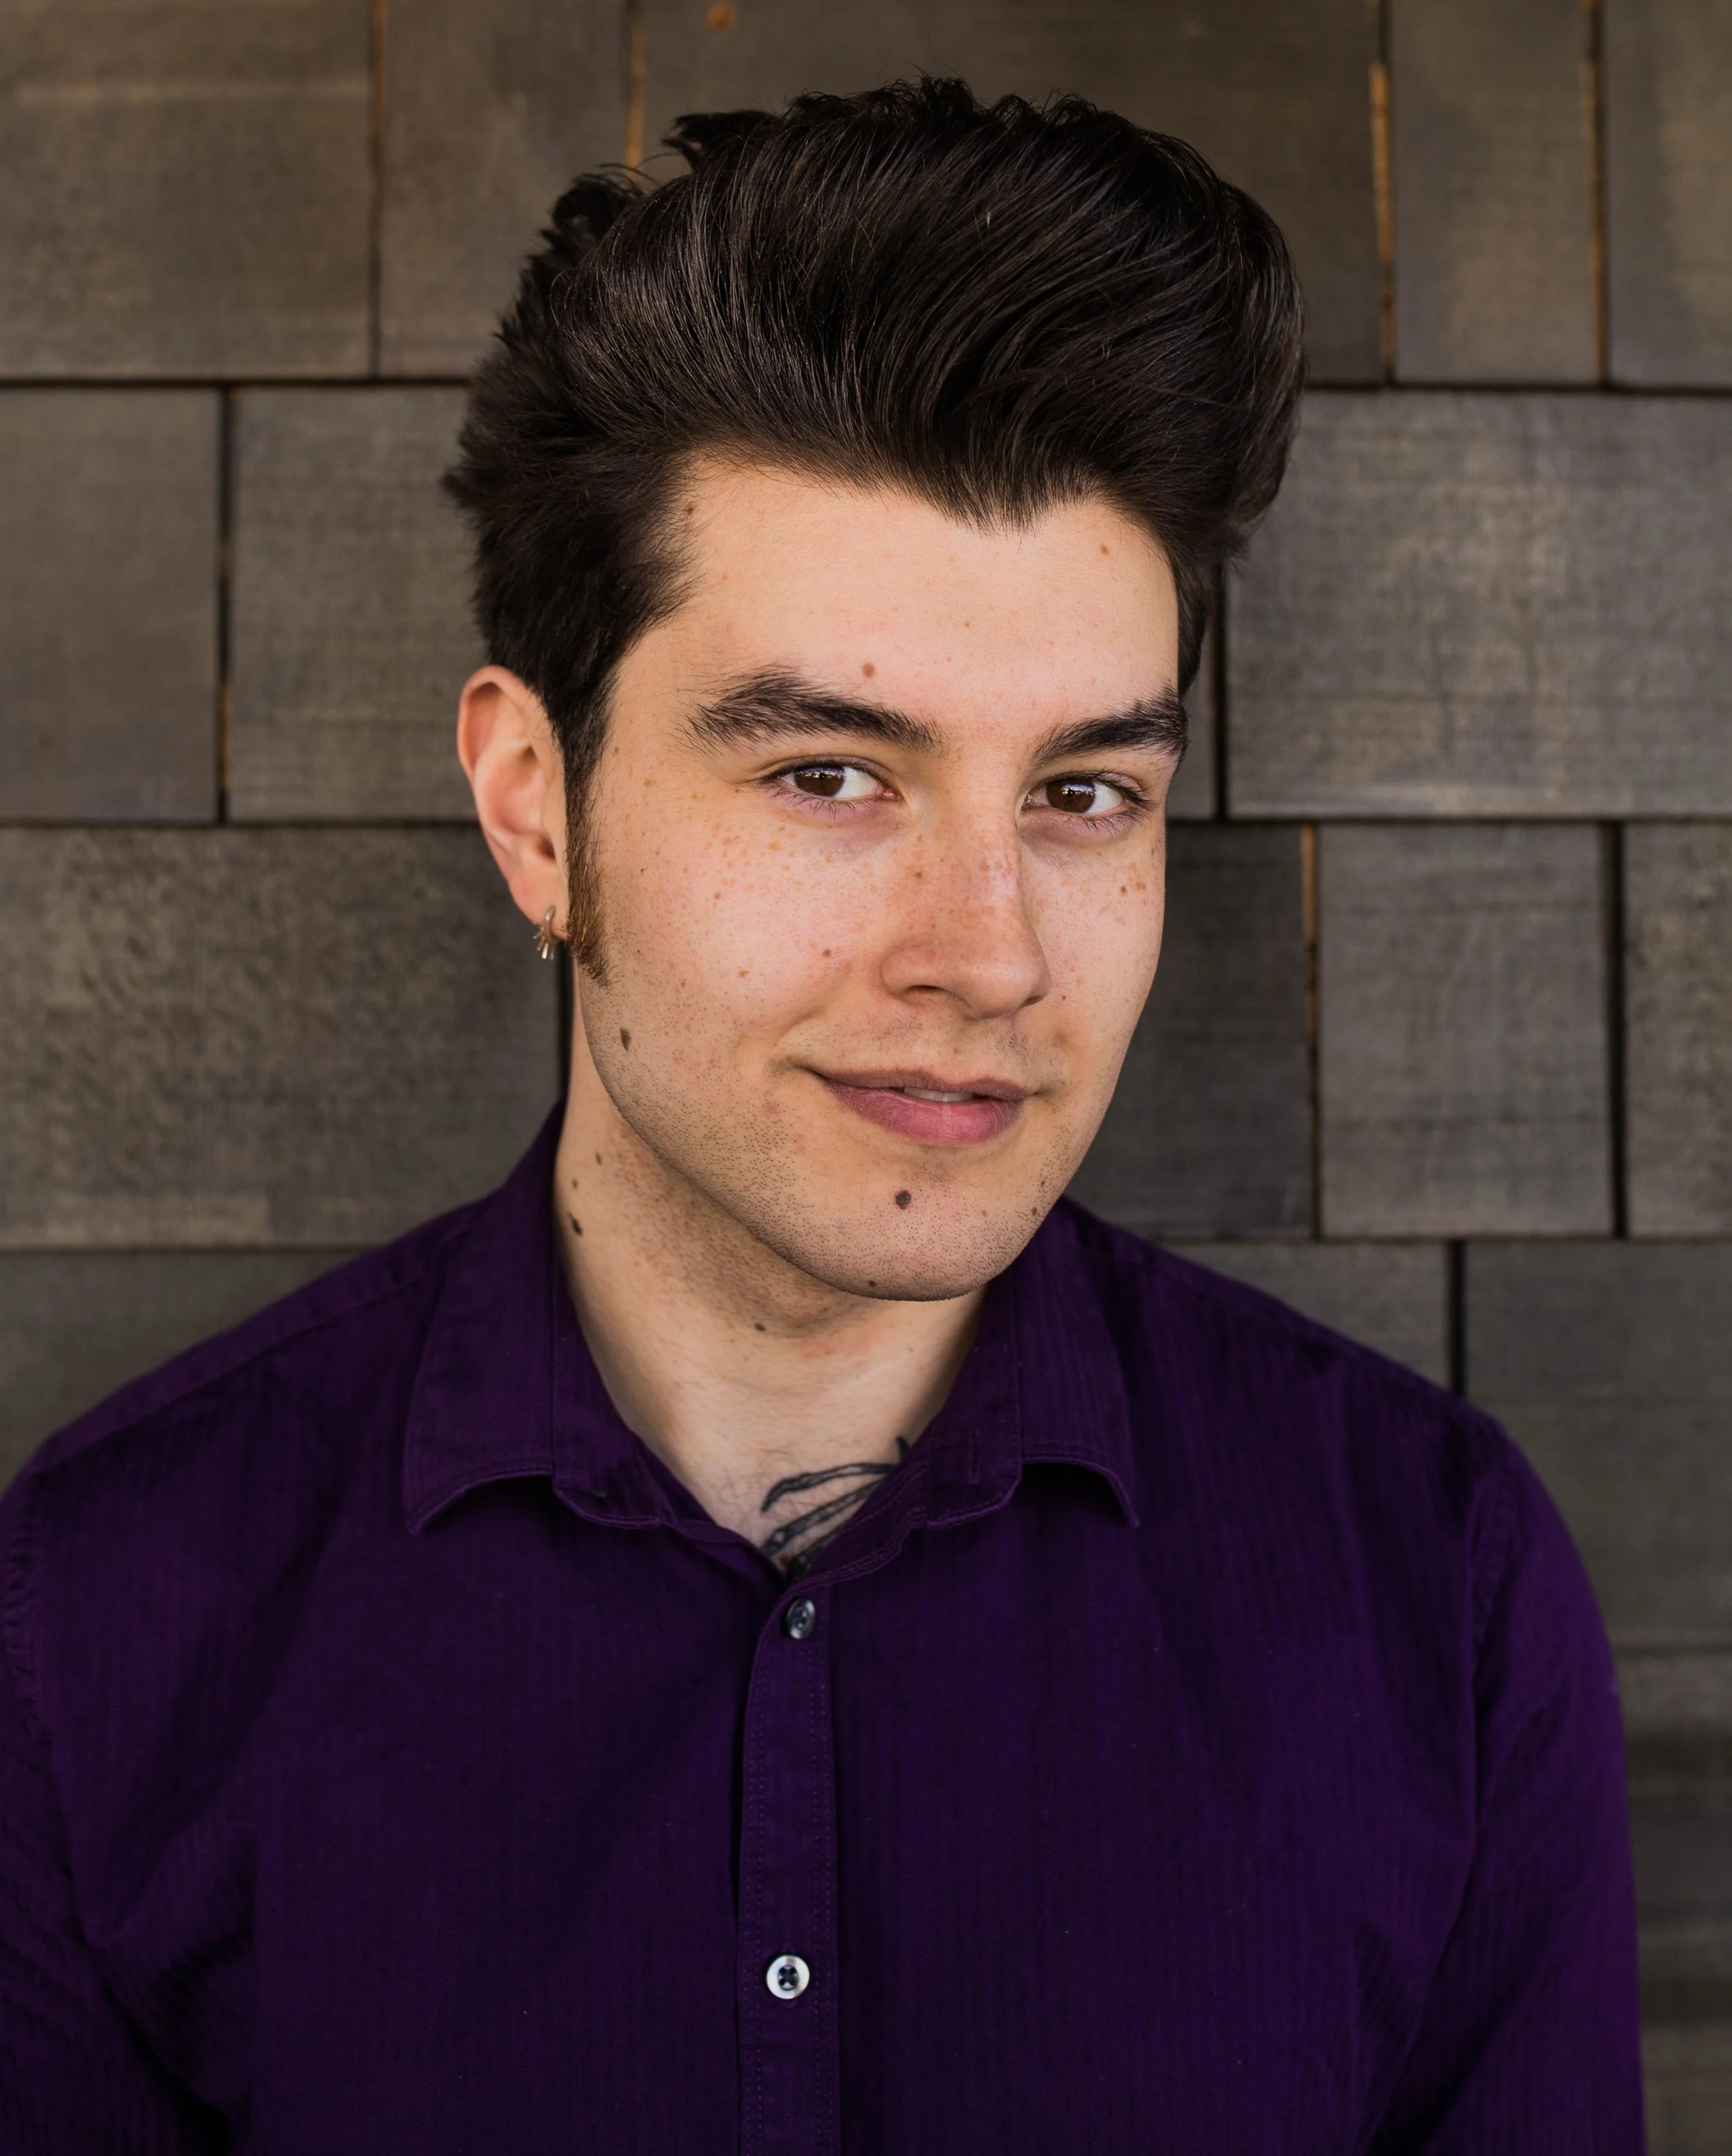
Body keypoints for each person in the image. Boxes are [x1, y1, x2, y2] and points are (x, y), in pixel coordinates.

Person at [0, 81, 1641, 2152]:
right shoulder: (112, 1613)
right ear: (536, 809)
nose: (988, 955)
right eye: (828, 777)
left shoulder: (1431, 1588)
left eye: (1080, 794)